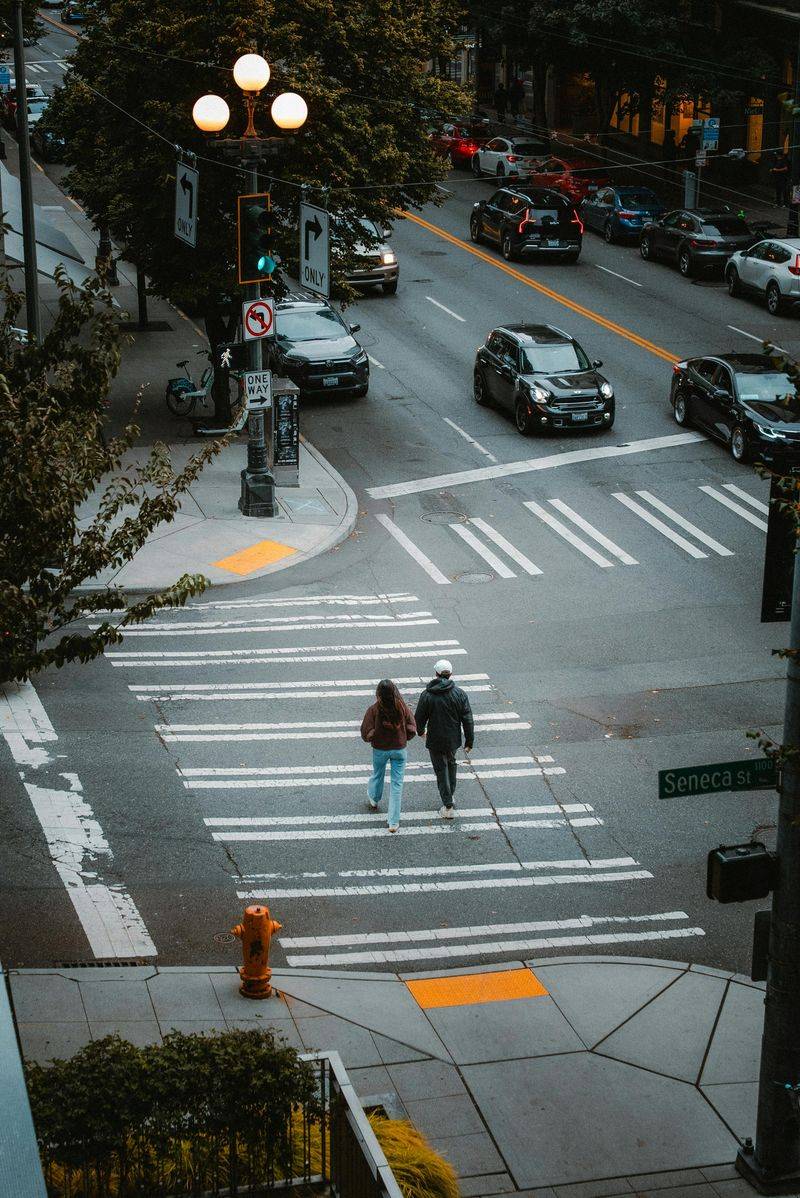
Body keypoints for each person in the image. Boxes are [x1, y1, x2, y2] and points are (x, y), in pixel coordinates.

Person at [414, 659, 474, 819]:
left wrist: (420, 732)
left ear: (436, 674)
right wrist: (469, 741)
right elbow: (467, 719)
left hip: (435, 739)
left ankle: (448, 805)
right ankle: (450, 795)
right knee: (451, 763)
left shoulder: (427, 695)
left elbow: (419, 718)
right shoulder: (460, 694)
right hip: (453, 739)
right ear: (451, 674)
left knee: (440, 769)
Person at [360, 679, 416, 833]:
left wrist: (373, 737)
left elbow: (365, 732)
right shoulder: (402, 707)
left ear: (378, 694)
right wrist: (404, 738)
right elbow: (412, 728)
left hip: (380, 749)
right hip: (399, 749)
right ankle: (393, 822)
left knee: (378, 774)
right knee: (397, 784)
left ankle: (374, 799)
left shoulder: (374, 709)